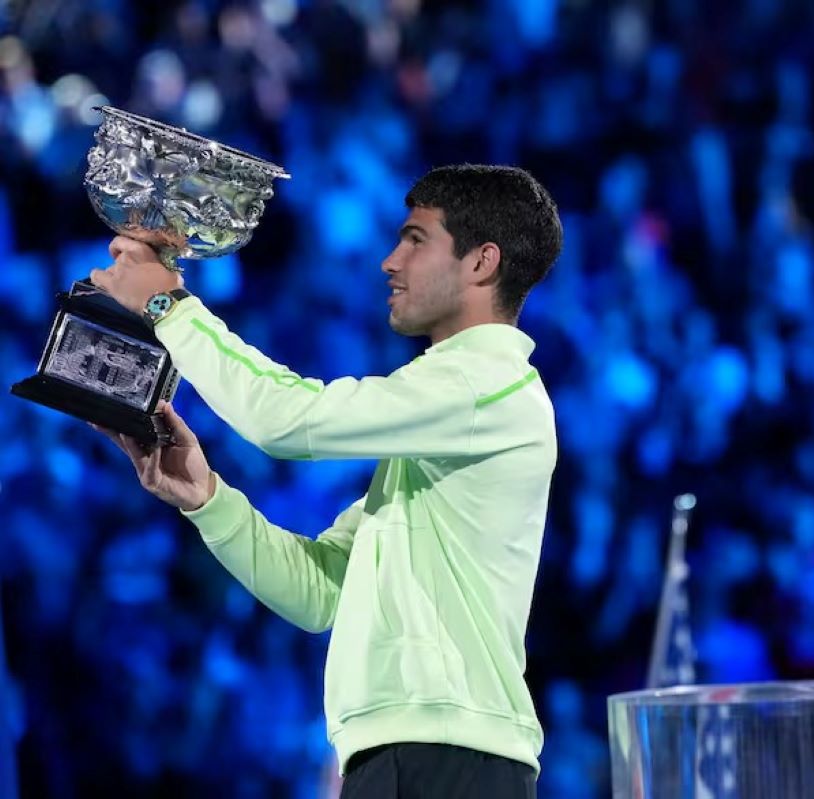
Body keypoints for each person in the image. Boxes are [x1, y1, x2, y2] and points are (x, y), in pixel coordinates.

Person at [89, 164, 564, 799]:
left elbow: (287, 419)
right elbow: (321, 591)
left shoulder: (485, 386)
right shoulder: (451, 420)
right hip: (410, 753)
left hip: (445, 757)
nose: (390, 261)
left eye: (415, 239)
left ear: (481, 262)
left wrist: (168, 307)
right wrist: (209, 500)